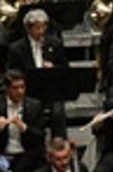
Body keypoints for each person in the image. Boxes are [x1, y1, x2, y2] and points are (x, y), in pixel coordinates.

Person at [5, 8, 69, 139]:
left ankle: (59, 144)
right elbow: (12, 72)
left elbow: (65, 68)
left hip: (51, 90)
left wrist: (54, 68)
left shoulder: (55, 44)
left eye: (44, 27)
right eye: (37, 28)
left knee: (58, 113)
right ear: (28, 29)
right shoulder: (16, 49)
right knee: (32, 112)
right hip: (28, 91)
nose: (41, 31)